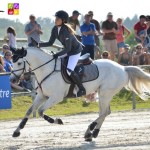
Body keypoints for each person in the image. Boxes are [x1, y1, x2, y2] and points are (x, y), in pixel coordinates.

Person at [31, 10, 86, 97]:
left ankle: (81, 89)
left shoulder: (66, 31)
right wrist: (38, 44)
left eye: (57, 18)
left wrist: (57, 54)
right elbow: (50, 43)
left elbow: (68, 49)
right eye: (55, 18)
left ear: (63, 20)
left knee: (69, 70)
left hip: (75, 52)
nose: (55, 20)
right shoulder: (55, 29)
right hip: (68, 50)